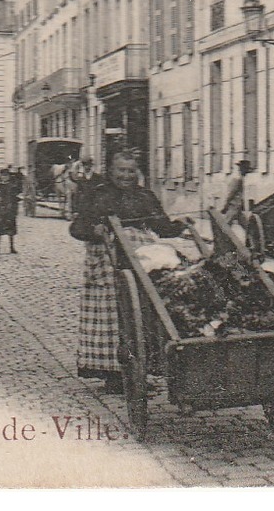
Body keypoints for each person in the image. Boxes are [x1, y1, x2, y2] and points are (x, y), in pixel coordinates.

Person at [69, 152, 185, 393]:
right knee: (112, 313)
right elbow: (77, 227)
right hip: (107, 263)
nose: (126, 176)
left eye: (130, 171)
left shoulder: (145, 196)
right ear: (111, 171)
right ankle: (114, 374)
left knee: (147, 307)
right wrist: (95, 229)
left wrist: (181, 226)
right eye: (121, 170)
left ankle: (143, 366)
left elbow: (160, 226)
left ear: (137, 173)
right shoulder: (98, 194)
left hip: (139, 260)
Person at [0, 168, 21, 254]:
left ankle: (12, 247)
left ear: (9, 176)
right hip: (0, 211)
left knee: (11, 231)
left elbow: (16, 199)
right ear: (0, 177)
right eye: (2, 176)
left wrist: (14, 211)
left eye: (6, 175)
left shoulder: (13, 187)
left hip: (9, 211)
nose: (4, 177)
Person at [220, 158, 252, 226]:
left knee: (246, 225)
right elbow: (231, 193)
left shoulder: (240, 178)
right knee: (226, 226)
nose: (247, 172)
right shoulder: (237, 179)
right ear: (241, 169)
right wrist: (225, 205)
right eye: (246, 169)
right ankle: (222, 236)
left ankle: (250, 236)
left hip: (238, 207)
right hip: (233, 206)